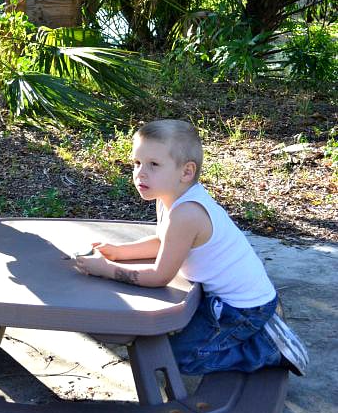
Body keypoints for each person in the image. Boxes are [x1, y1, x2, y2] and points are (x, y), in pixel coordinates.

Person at [75, 119, 309, 376]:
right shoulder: (170, 197)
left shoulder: (187, 213)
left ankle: (266, 348)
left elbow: (159, 277)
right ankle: (252, 333)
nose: (140, 173)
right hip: (224, 299)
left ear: (186, 172)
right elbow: (165, 242)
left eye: (154, 165)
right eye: (137, 163)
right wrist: (121, 252)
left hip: (241, 309)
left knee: (177, 360)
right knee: (164, 347)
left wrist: (106, 269)